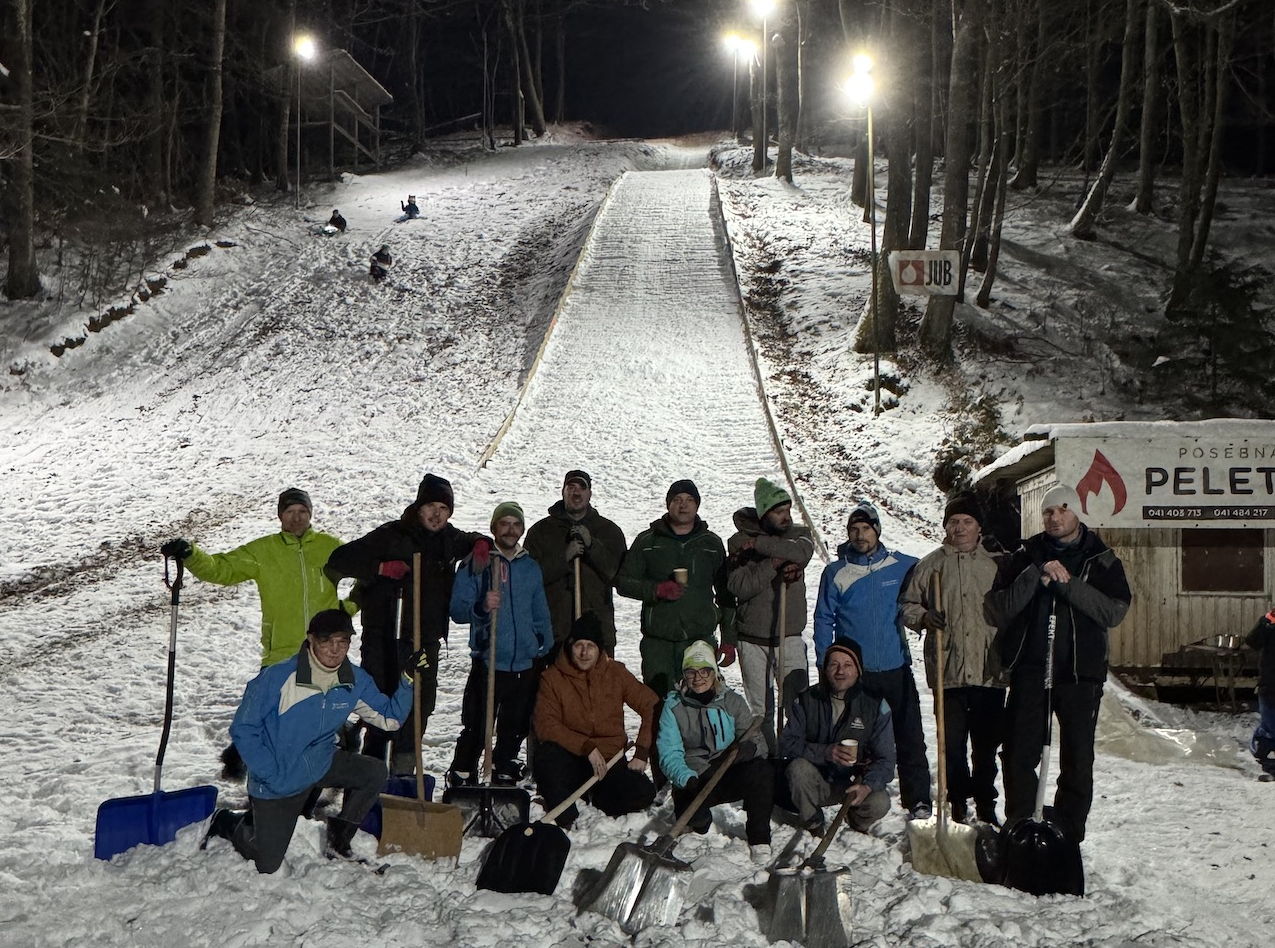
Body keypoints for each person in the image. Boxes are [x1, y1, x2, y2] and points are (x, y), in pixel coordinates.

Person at [205, 609, 427, 873]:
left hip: (320, 763)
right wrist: (269, 773)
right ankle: (229, 823)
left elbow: (389, 719)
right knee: (267, 863)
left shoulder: (353, 680)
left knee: (374, 772)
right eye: (326, 642)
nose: (335, 650)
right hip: (279, 776)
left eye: (342, 642)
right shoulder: (278, 678)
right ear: (311, 640)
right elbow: (243, 728)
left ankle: (339, 841)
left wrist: (407, 681)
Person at [160, 487, 354, 778]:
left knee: (322, 708)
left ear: (310, 514)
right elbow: (221, 569)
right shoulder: (264, 552)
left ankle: (335, 755)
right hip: (281, 649)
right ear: (280, 516)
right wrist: (190, 555)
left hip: (323, 650)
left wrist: (346, 610)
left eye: (302, 512)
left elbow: (366, 575)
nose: (296, 518)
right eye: (290, 512)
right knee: (266, 708)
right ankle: (251, 763)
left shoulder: (330, 547)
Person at [988, 484, 1131, 842]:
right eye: (1049, 512)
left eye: (1062, 510)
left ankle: (1068, 833)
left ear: (1077, 513)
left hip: (1081, 673)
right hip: (1031, 668)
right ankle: (1021, 824)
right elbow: (998, 608)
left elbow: (1113, 611)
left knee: (1077, 759)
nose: (1054, 518)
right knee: (1019, 752)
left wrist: (1066, 585)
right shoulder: (1025, 555)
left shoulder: (1102, 558)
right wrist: (1037, 576)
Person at [325, 473, 488, 774]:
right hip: (386, 639)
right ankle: (369, 778)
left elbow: (475, 540)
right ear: (419, 506)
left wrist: (480, 543)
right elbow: (339, 560)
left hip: (425, 642)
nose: (437, 514)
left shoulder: (448, 539)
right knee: (381, 708)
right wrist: (379, 568)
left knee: (417, 710)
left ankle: (402, 775)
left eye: (444, 508)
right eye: (431, 506)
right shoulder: (391, 535)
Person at [813, 500, 932, 820]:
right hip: (857, 673)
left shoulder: (903, 565)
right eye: (854, 529)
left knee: (909, 735)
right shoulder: (836, 573)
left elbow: (932, 575)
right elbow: (824, 619)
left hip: (895, 666)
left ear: (877, 530)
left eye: (866, 528)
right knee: (855, 736)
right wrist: (826, 662)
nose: (860, 534)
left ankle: (918, 798)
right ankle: (850, 791)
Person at [900, 492, 1006, 824]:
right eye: (954, 522)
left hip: (989, 669)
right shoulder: (931, 565)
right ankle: (958, 801)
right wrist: (923, 617)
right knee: (953, 745)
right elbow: (907, 605)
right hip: (949, 669)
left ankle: (987, 804)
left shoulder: (995, 566)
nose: (959, 528)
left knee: (986, 747)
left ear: (978, 528)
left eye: (967, 522)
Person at [447, 501, 552, 786]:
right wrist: (482, 606)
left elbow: (539, 609)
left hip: (523, 662)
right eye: (504, 523)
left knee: (514, 726)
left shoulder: (529, 567)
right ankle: (462, 773)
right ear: (494, 528)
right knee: (478, 725)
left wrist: (544, 641)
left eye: (516, 524)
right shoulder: (477, 563)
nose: (510, 529)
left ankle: (504, 769)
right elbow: (457, 610)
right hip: (489, 658)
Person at [532, 612, 658, 827]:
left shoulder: (616, 673)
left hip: (610, 760)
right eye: (579, 645)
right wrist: (586, 746)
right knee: (546, 759)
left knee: (642, 792)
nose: (584, 652)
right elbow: (546, 724)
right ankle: (567, 811)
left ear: (599, 649)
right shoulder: (552, 678)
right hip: (570, 757)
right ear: (570, 646)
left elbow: (651, 705)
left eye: (590, 646)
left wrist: (642, 750)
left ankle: (601, 796)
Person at [616, 479, 736, 701]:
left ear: (697, 505)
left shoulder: (711, 544)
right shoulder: (648, 542)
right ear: (668, 504)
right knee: (657, 703)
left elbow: (726, 593)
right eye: (677, 500)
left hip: (699, 640)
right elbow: (623, 582)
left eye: (689, 500)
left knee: (701, 703)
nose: (683, 505)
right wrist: (656, 590)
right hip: (658, 642)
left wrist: (729, 639)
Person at [657, 640, 772, 863]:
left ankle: (759, 839)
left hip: (727, 771)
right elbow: (669, 752)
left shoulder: (732, 702)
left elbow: (757, 740)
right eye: (691, 672)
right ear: (684, 675)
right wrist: (686, 778)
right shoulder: (673, 706)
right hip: (694, 777)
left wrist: (750, 749)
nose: (698, 678)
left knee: (761, 771)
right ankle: (700, 820)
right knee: (697, 823)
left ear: (715, 673)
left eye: (705, 671)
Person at [726, 476, 815, 751]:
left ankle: (797, 757)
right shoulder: (738, 542)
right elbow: (739, 586)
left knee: (798, 702)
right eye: (778, 512)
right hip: (753, 639)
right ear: (764, 514)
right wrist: (774, 563)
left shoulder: (800, 534)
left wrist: (761, 546)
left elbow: (801, 552)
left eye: (787, 510)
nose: (785, 517)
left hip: (788, 635)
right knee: (761, 709)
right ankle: (769, 762)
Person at [780, 637, 895, 835]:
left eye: (848, 665)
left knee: (880, 802)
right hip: (816, 781)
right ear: (825, 670)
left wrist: (867, 786)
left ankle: (856, 819)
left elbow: (886, 760)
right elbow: (787, 743)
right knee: (797, 769)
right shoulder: (807, 700)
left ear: (858, 670)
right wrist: (824, 752)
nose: (840, 671)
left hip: (852, 783)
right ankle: (813, 821)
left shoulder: (874, 706)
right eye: (834, 665)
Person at [524, 469, 628, 653]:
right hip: (554, 632)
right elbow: (529, 579)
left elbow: (617, 575)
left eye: (582, 487)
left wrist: (592, 546)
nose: (576, 492)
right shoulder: (541, 532)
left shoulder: (608, 531)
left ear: (590, 493)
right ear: (562, 491)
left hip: (597, 633)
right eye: (570, 487)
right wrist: (564, 557)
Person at [1247, 608, 1275, 781]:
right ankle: (1265, 760)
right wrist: (1266, 623)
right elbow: (1252, 642)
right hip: (1270, 684)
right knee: (1270, 725)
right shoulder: (1269, 623)